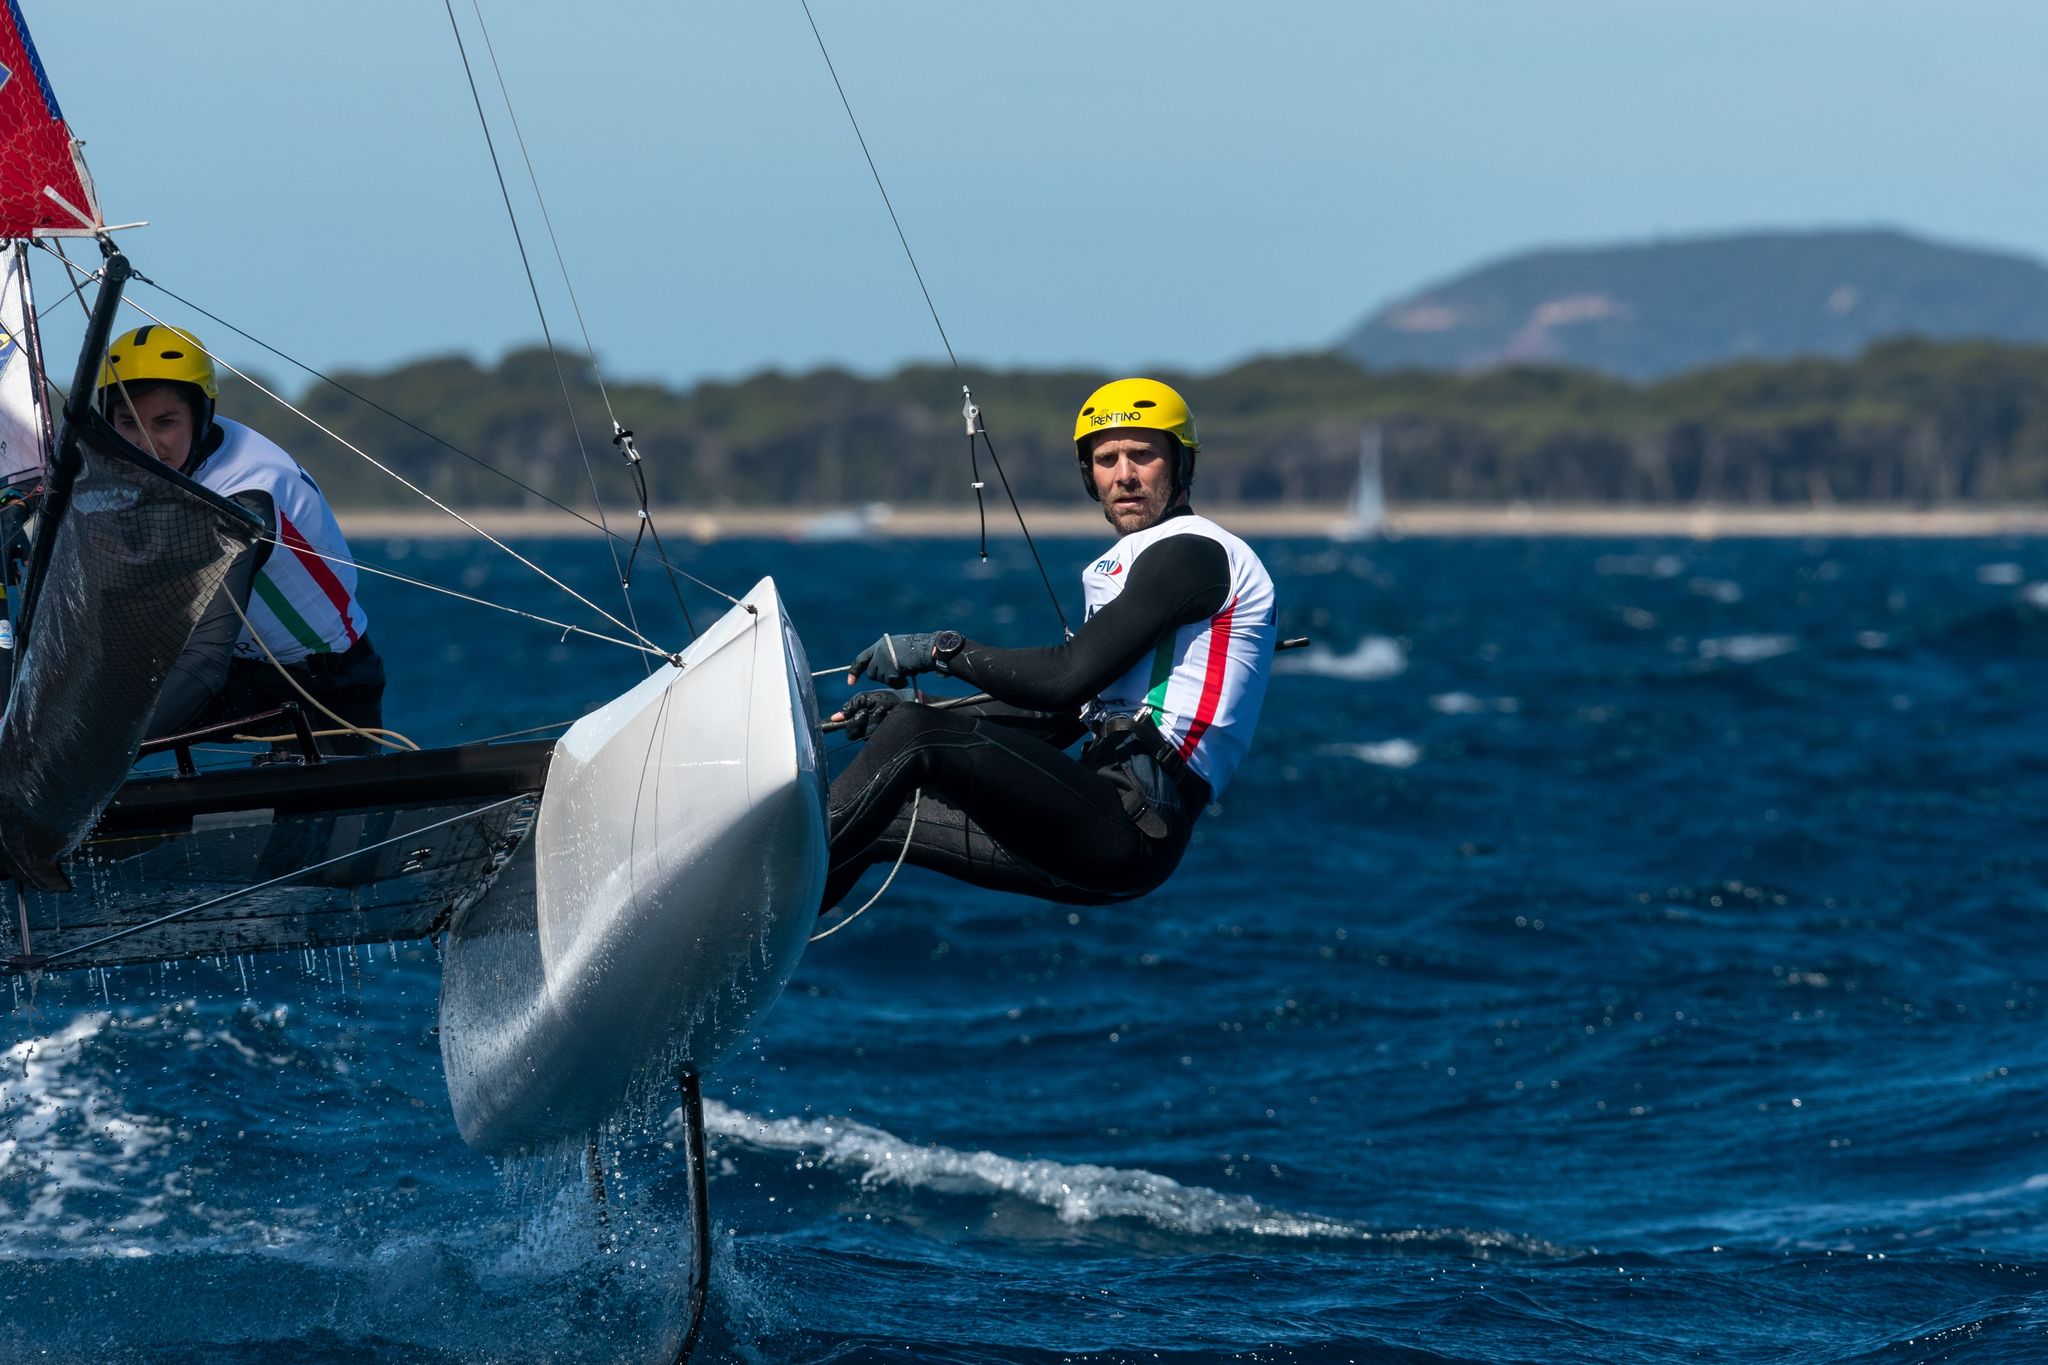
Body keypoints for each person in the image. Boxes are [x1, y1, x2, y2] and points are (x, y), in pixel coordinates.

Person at [824, 377, 1276, 912]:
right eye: (1107, 459)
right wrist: (917, 705)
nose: (1125, 475)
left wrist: (942, 650)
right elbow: (1060, 717)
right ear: (1089, 475)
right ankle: (744, 945)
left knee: (917, 738)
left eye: (1143, 455)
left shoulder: (1193, 553)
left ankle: (765, 872)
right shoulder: (1145, 562)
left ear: (1182, 465)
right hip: (1098, 816)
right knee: (884, 813)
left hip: (1136, 818)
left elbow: (1066, 679)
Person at [97, 325, 386, 754]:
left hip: (325, 689)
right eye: (128, 423)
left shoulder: (247, 494)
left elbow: (205, 660)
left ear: (199, 418)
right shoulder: (147, 463)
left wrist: (96, 757)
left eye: (165, 423)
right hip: (240, 671)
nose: (144, 443)